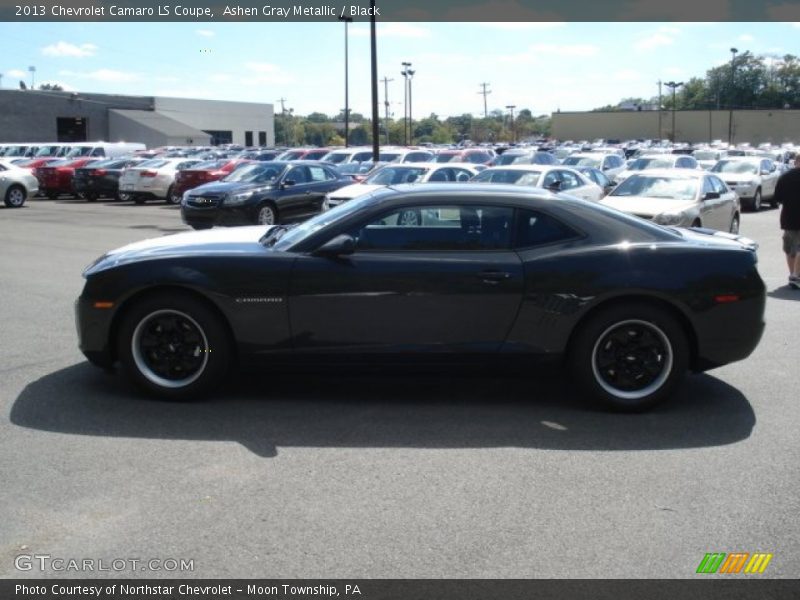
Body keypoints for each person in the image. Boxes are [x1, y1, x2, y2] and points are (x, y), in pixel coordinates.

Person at [774, 154, 800, 289]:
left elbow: (777, 197)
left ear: (796, 162)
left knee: (790, 248)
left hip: (789, 217)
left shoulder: (785, 177)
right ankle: (795, 275)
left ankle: (793, 274)